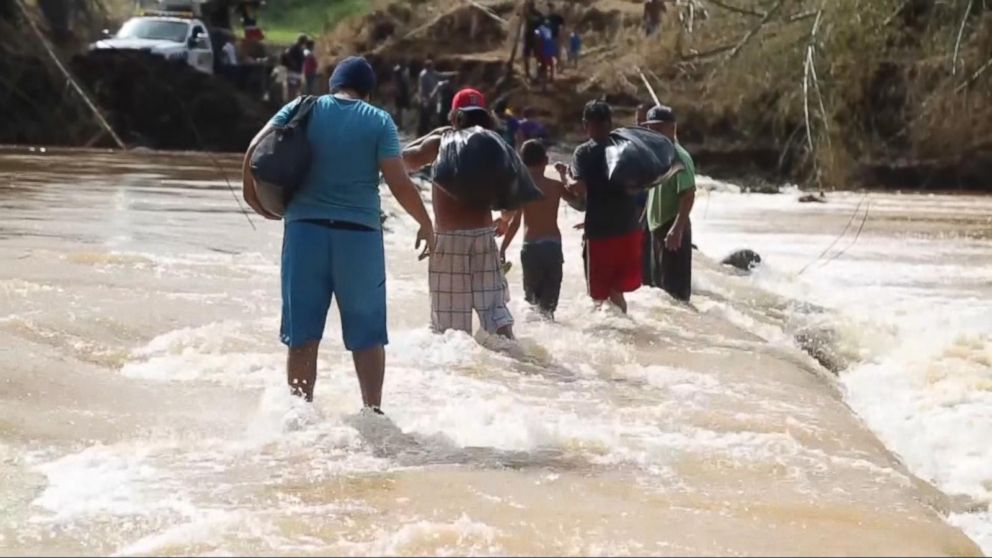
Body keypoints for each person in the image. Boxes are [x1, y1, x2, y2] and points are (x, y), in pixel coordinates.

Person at [241, 56, 435, 410]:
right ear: (368, 92)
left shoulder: (303, 107)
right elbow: (399, 182)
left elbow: (256, 148)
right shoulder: (379, 121)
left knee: (302, 336)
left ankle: (299, 413)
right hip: (358, 238)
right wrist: (426, 222)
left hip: (304, 234)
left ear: (332, 85)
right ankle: (372, 411)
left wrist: (253, 198)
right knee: (367, 336)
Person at [402, 88, 516, 339]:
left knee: (450, 330)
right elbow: (517, 190)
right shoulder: (493, 145)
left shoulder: (442, 142)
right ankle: (519, 365)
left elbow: (403, 161)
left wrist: (432, 134)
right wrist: (506, 220)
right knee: (496, 317)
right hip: (484, 237)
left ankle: (460, 376)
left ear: (454, 116)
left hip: (449, 240)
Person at [556, 100, 643, 313]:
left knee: (600, 296)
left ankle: (611, 338)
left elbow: (579, 189)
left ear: (586, 124)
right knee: (616, 291)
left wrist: (564, 175)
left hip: (601, 234)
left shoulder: (584, 153)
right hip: (630, 229)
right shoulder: (626, 147)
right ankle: (625, 331)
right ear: (610, 122)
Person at [500, 140, 582, 319]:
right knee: (549, 307)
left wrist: (503, 248)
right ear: (546, 161)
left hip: (531, 248)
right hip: (553, 247)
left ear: (522, 163)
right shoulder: (555, 186)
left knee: (532, 304)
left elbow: (514, 223)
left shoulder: (523, 188)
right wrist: (563, 175)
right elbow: (578, 202)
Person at [641, 105, 695, 301]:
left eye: (658, 128)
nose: (652, 133)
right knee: (659, 293)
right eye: (650, 128)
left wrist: (677, 229)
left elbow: (688, 194)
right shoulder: (657, 156)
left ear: (672, 128)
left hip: (671, 229)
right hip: (656, 229)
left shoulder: (678, 156)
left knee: (675, 296)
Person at [521, 1, 544, 81]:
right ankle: (527, 73)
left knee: (536, 55)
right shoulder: (528, 13)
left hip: (535, 37)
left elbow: (536, 21)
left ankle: (537, 74)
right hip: (529, 36)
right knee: (526, 55)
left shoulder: (537, 14)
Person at [417, 59, 440, 136]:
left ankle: (428, 132)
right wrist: (424, 100)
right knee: (424, 118)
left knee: (431, 117)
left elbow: (441, 75)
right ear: (428, 67)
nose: (433, 67)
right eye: (432, 66)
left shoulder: (432, 73)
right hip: (426, 99)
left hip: (432, 99)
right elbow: (422, 89)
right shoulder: (424, 75)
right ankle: (421, 134)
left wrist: (453, 73)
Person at [282, 34, 307, 99]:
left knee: (296, 88)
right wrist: (293, 63)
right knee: (292, 89)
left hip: (296, 72)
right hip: (293, 72)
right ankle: (290, 102)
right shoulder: (295, 47)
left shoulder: (299, 48)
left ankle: (292, 101)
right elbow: (286, 54)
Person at [392, 61, 412, 129]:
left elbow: (404, 87)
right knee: (399, 111)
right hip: (400, 96)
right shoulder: (400, 78)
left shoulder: (401, 78)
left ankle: (400, 124)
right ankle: (400, 124)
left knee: (400, 111)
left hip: (401, 96)